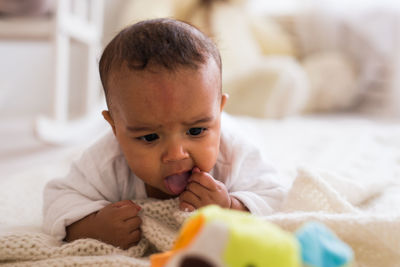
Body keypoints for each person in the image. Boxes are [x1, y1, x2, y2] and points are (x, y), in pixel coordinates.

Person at [42, 18, 285, 250]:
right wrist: (92, 227)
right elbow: (58, 200)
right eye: (150, 137)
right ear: (115, 128)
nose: (176, 154)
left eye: (196, 131)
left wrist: (232, 207)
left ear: (219, 113)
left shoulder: (234, 152)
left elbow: (278, 198)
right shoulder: (107, 160)